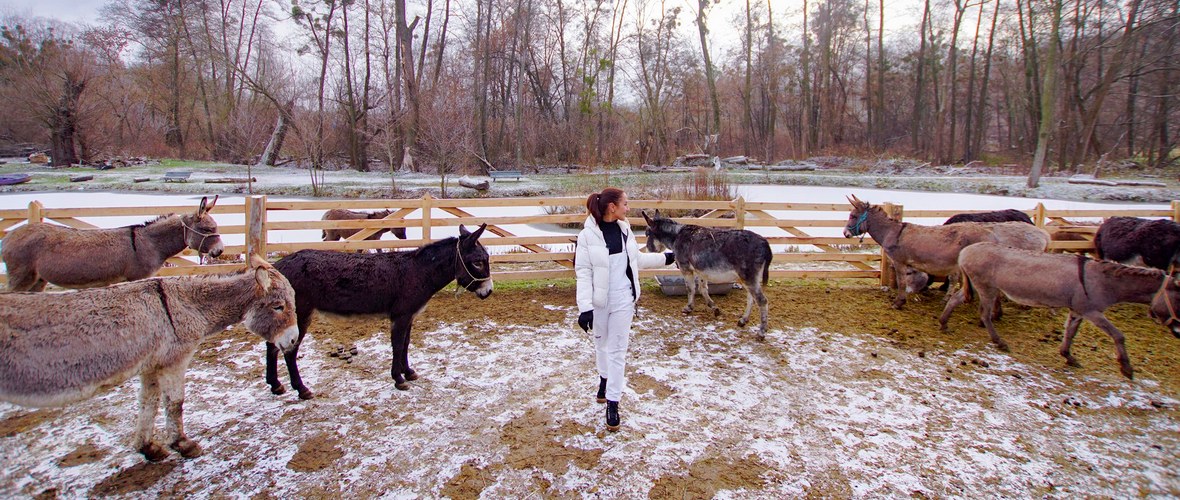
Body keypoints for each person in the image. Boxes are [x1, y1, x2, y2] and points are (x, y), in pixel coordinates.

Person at [575, 187, 674, 432]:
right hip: (599, 303)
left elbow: (637, 260)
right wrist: (585, 307)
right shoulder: (587, 236)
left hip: (623, 300)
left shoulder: (625, 230)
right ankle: (604, 378)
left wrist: (666, 258)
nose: (628, 209)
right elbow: (583, 273)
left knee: (618, 351)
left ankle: (613, 402)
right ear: (612, 207)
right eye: (626, 204)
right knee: (601, 345)